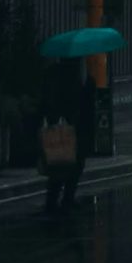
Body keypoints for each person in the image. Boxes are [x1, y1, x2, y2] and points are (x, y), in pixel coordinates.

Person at [38, 68, 86, 215]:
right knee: (63, 164)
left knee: (61, 165)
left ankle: (57, 200)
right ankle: (59, 200)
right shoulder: (68, 78)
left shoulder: (56, 76)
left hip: (64, 125)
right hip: (65, 128)